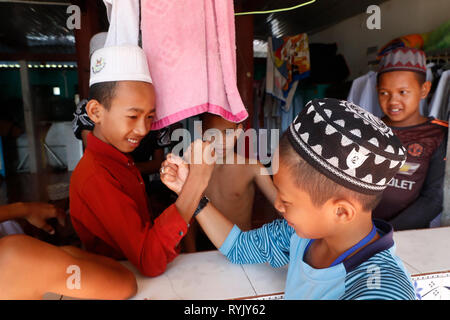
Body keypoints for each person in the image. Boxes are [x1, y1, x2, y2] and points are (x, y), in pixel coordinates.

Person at [161, 98, 416, 300]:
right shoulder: (300, 236)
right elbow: (240, 247)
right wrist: (193, 194)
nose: (277, 206)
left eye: (287, 202)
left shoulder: (380, 289)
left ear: (341, 212)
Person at [69, 45, 215, 277]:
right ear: (95, 112)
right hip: (121, 280)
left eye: (149, 117)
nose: (143, 129)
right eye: (132, 116)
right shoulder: (96, 175)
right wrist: (196, 182)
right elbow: (149, 261)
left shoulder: (119, 159)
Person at [373, 47, 448, 230]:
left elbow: (434, 198)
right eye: (384, 93)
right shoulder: (367, 128)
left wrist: (386, 233)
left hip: (408, 235)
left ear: (424, 90)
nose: (393, 101)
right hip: (357, 233)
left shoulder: (438, 134)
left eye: (403, 92)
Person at [181, 113, 277, 252]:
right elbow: (187, 215)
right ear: (201, 131)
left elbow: (280, 205)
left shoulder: (253, 168)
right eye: (213, 134)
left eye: (228, 133)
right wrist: (191, 253)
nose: (221, 141)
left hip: (241, 246)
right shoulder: (194, 168)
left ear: (239, 131)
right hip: (204, 246)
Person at [0, 202, 136, 299]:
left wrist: (22, 209)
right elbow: (127, 285)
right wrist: (65, 255)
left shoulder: (16, 256)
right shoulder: (16, 257)